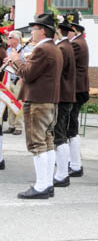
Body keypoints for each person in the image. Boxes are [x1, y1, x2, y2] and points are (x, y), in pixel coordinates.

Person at [10, 13, 63, 199]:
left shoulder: (42, 50)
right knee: (47, 142)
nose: (31, 32)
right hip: (49, 100)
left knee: (36, 143)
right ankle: (47, 183)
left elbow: (29, 74)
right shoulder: (53, 48)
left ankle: (41, 186)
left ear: (42, 31)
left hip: (38, 101)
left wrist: (16, 60)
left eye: (34, 29)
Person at [53, 18, 76, 188]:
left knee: (59, 134)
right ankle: (62, 171)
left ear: (58, 32)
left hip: (62, 95)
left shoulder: (61, 47)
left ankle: (62, 174)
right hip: (66, 94)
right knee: (61, 133)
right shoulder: (66, 46)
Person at [66, 10, 89, 178]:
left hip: (76, 89)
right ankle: (71, 161)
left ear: (73, 29)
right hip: (77, 88)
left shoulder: (75, 44)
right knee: (70, 125)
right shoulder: (78, 41)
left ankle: (75, 165)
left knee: (71, 127)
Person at [4, 30, 25, 135]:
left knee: (19, 103)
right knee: (10, 102)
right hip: (9, 78)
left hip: (19, 79)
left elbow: (25, 65)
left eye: (10, 37)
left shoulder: (24, 49)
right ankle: (11, 125)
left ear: (16, 39)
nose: (8, 39)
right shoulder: (8, 50)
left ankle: (18, 126)